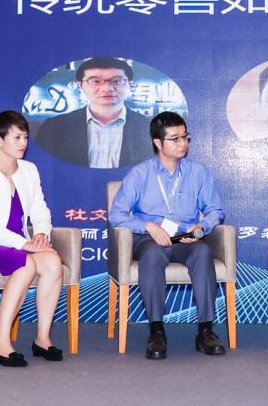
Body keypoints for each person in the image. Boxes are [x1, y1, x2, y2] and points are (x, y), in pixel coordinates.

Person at [108, 111, 226, 359]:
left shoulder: (198, 172)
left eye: (185, 136)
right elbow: (116, 214)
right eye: (175, 138)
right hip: (148, 238)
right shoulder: (140, 174)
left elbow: (215, 210)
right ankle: (156, 331)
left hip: (184, 239)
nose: (183, 143)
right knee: (152, 255)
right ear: (158, 142)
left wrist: (201, 227)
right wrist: (149, 227)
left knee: (203, 252)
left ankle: (205, 330)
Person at [0, 110, 64, 367]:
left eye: (25, 137)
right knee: (25, 263)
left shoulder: (29, 170)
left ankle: (42, 338)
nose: (23, 143)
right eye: (16, 137)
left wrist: (40, 234)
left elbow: (40, 209)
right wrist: (24, 244)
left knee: (53, 263)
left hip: (20, 243)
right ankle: (0, 343)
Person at [34, 57, 154, 168]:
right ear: (80, 85)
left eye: (117, 81)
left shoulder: (150, 128)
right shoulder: (54, 127)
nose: (106, 88)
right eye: (95, 81)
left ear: (130, 85)